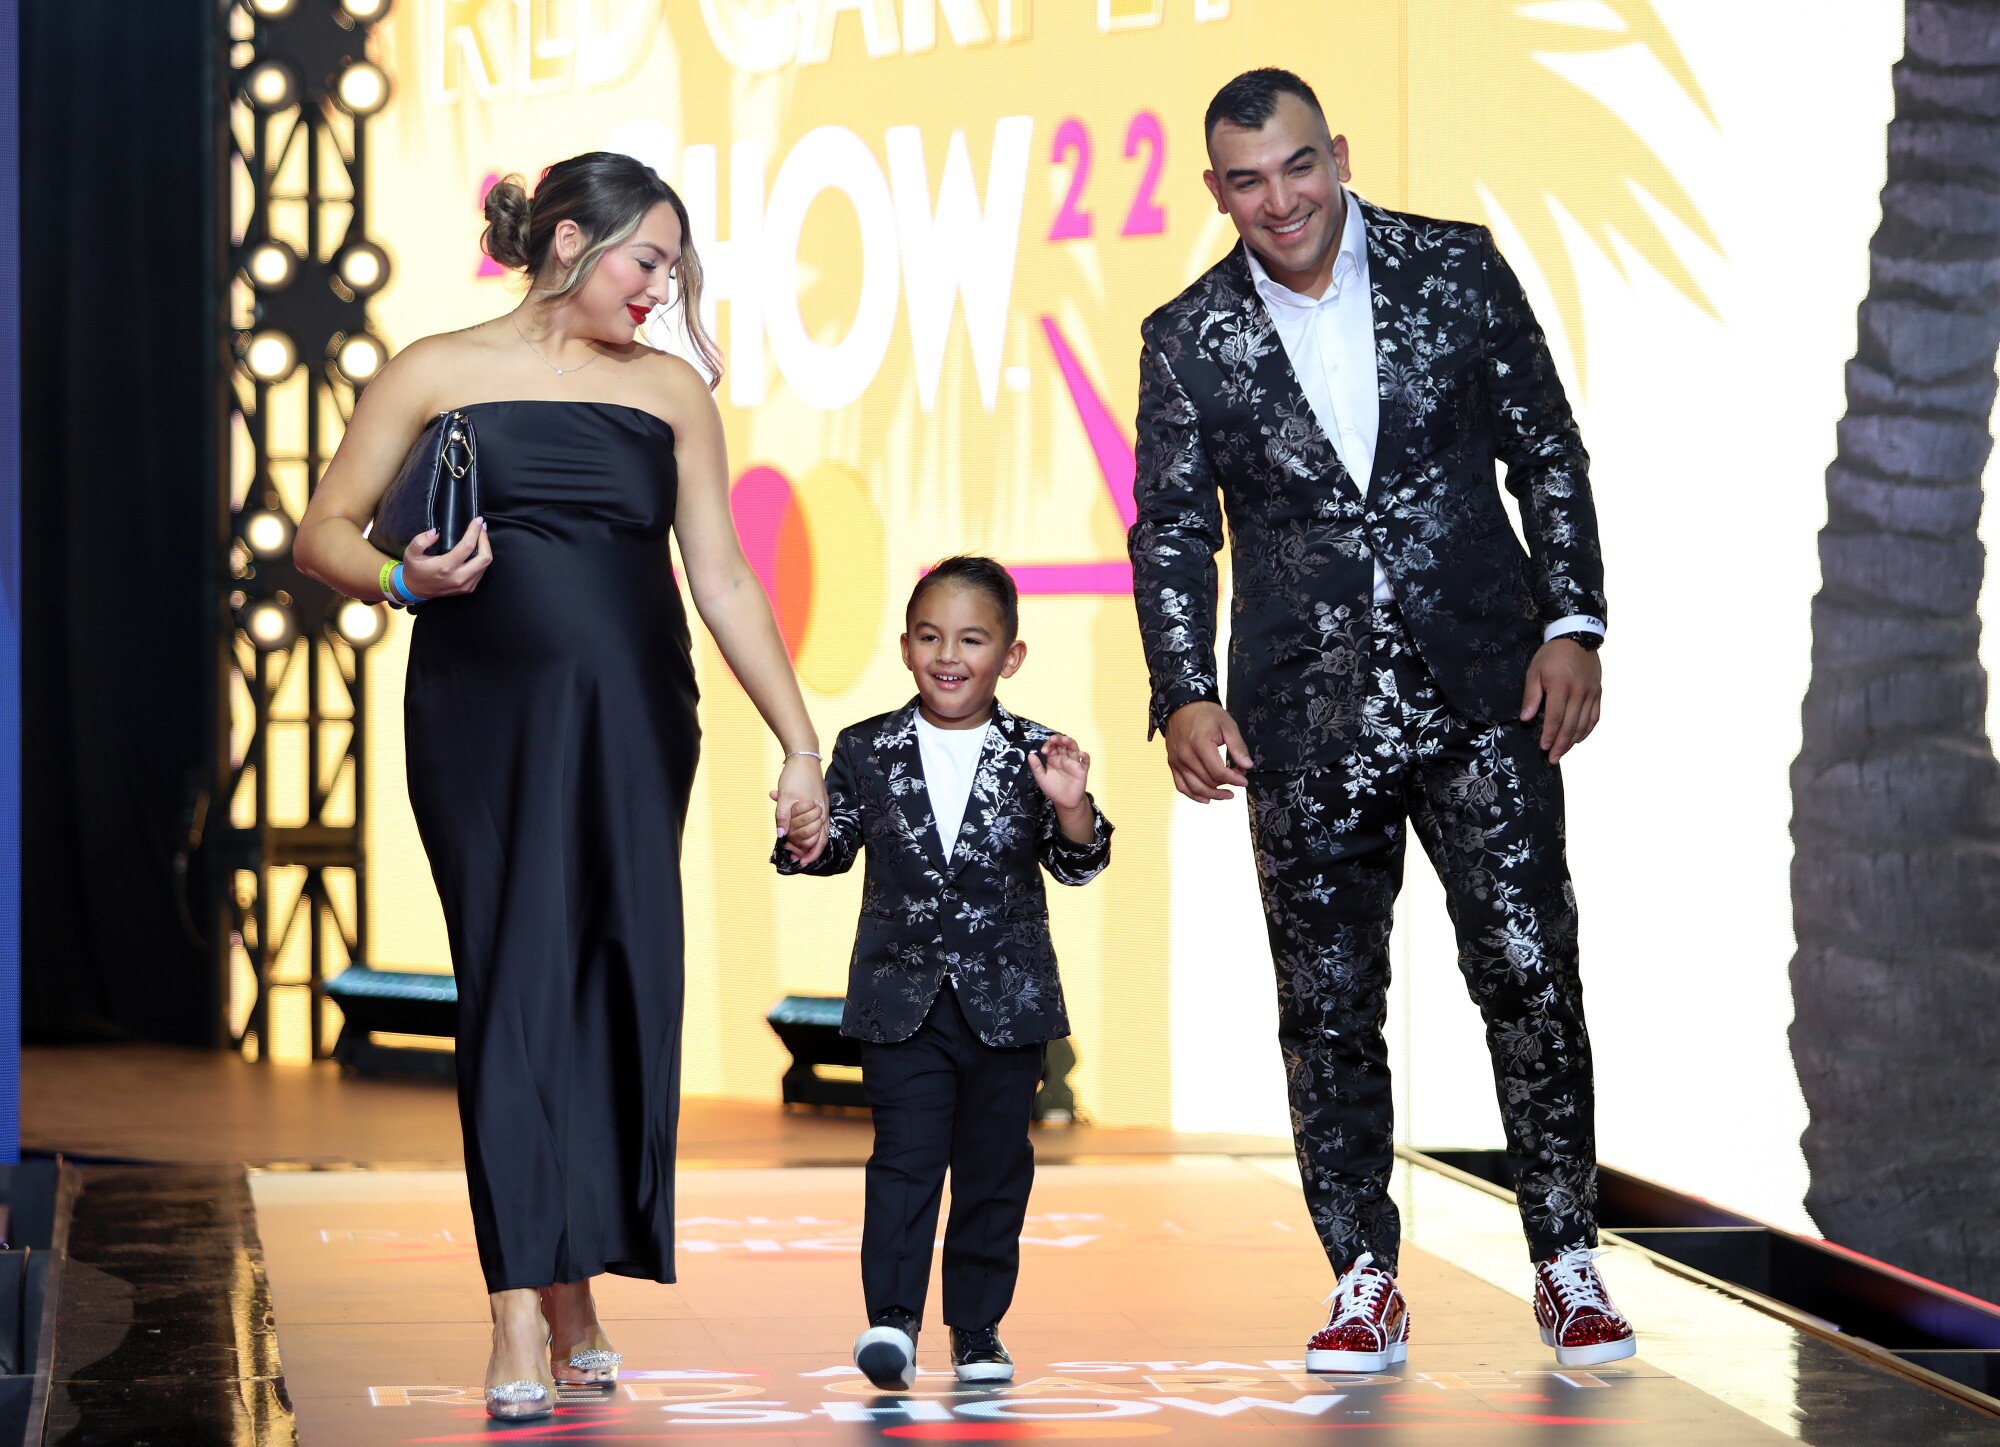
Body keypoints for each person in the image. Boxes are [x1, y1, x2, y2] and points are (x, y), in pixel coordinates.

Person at [294, 152, 830, 1420]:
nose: (662, 288)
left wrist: (798, 743)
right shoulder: (435, 369)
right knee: (516, 983)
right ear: (570, 242)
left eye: (673, 270)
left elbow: (727, 582)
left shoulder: (674, 394)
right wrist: (400, 585)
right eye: (648, 261)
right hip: (485, 722)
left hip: (643, 723)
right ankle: (513, 1310)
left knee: (612, 985)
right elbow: (323, 531)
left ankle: (574, 1286)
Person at [1128, 68, 1635, 1372]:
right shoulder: (1187, 336)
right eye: (1247, 179)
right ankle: (1362, 1275)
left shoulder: (1455, 266)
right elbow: (1175, 534)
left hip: (1487, 688)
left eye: (1298, 165)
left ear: (1337, 152)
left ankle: (1568, 1259)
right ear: (1215, 190)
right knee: (1326, 1004)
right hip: (1303, 713)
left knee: (1529, 967)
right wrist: (1182, 687)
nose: (1280, 199)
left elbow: (1548, 446)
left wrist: (1572, 619)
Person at [772, 557, 1112, 1390]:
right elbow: (830, 845)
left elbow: (1078, 863)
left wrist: (1071, 804)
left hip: (1008, 1008)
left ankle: (977, 1329)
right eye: (930, 637)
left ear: (1011, 655)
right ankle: (891, 1320)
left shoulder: (1041, 751)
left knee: (995, 1171)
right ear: (904, 647)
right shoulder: (865, 747)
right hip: (901, 1003)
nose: (948, 655)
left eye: (971, 638)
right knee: (904, 1161)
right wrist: (808, 833)